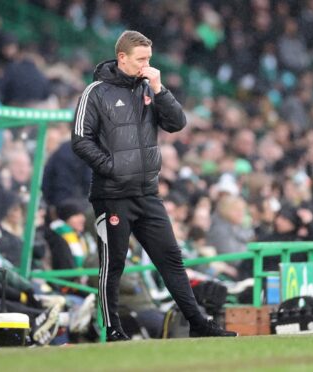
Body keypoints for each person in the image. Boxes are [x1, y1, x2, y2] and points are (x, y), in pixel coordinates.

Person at [71, 30, 236, 340]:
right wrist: (112, 168)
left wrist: (160, 89)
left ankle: (198, 324)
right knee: (114, 264)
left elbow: (177, 124)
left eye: (149, 59)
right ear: (122, 58)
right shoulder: (95, 92)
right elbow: (80, 139)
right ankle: (112, 329)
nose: (147, 65)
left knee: (171, 259)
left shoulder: (149, 88)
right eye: (141, 59)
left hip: (147, 193)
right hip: (112, 195)